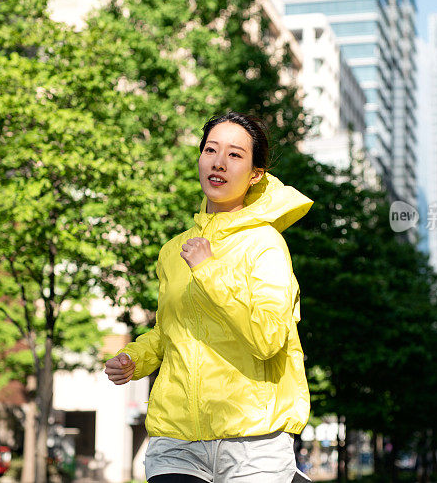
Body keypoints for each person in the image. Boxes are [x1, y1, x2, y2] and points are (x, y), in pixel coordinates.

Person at [104, 112, 313, 483]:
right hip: (176, 439)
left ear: (255, 174)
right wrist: (135, 358)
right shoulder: (174, 251)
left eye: (234, 155)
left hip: (252, 440)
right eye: (210, 150)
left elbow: (268, 338)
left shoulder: (265, 245)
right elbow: (170, 332)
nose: (218, 162)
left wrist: (209, 271)